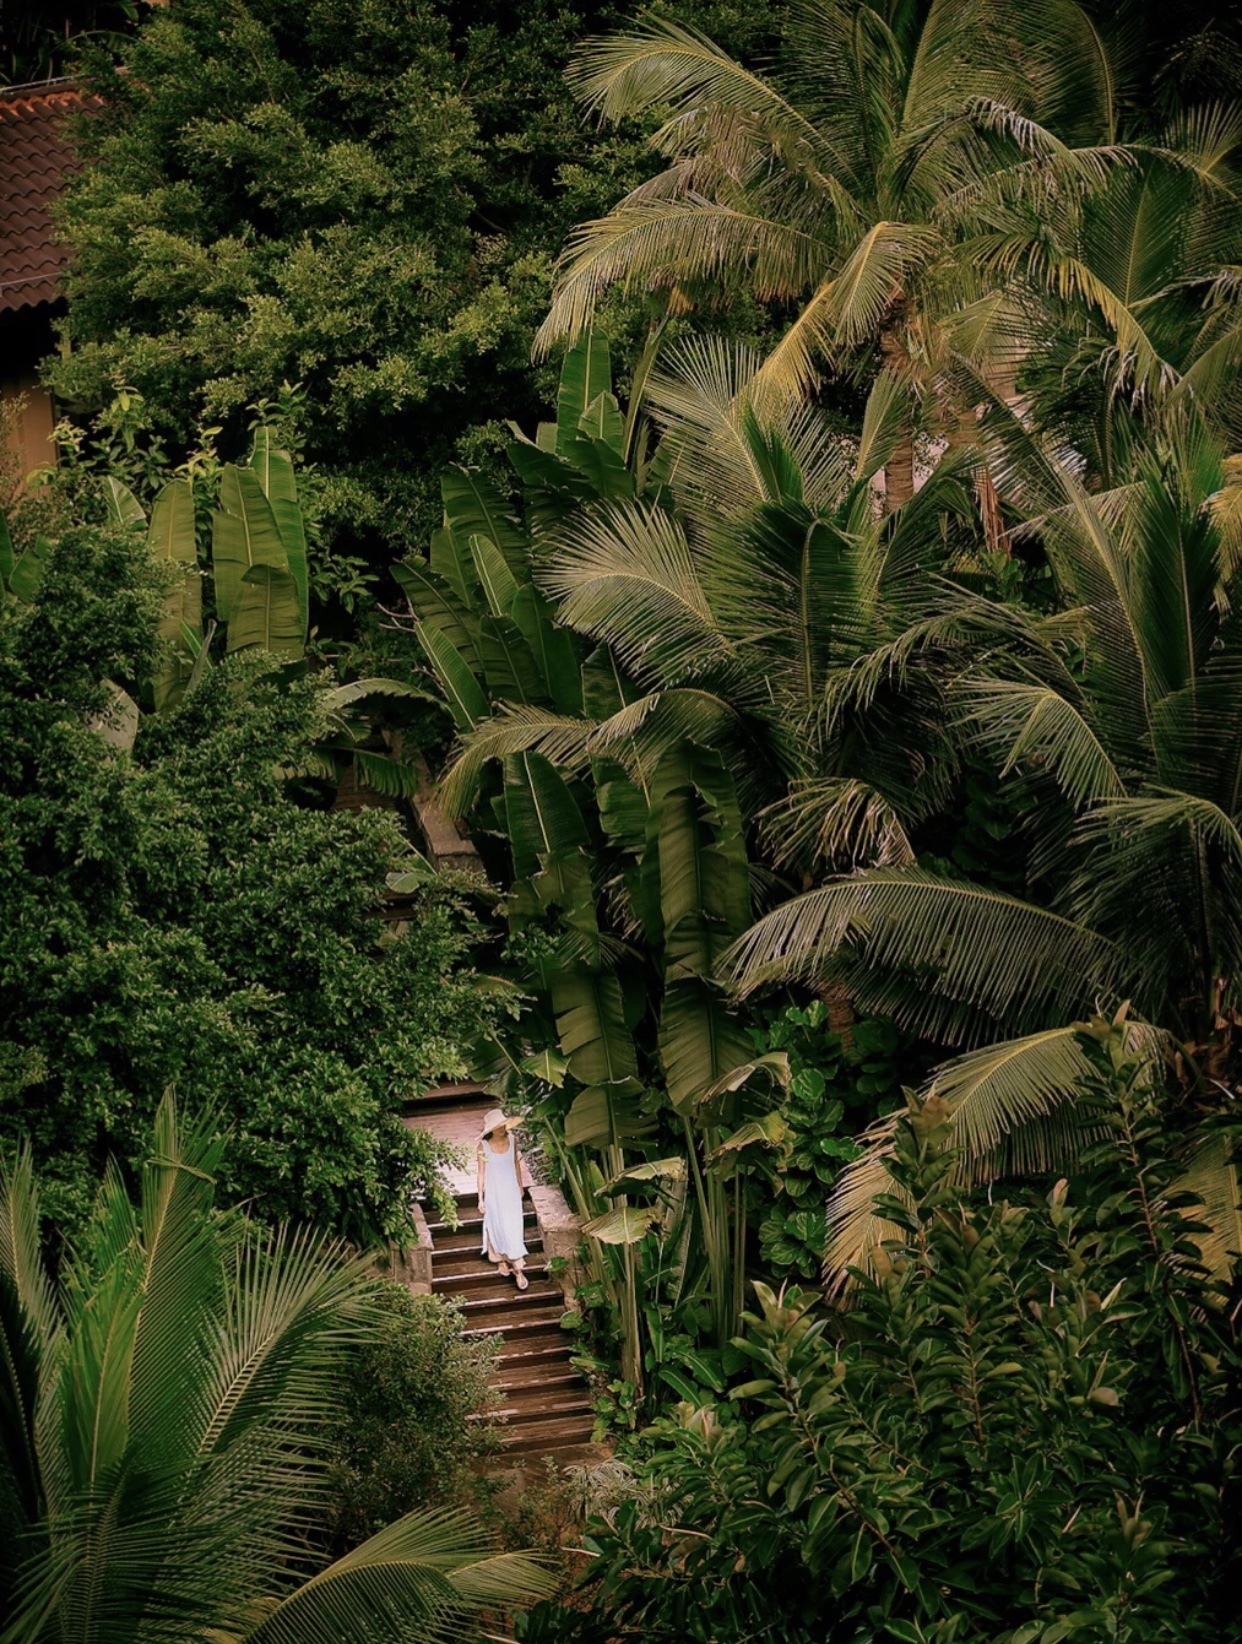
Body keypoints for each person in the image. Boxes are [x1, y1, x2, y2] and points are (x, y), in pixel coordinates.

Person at [476, 1109, 530, 1289]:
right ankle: (510, 1265)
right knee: (496, 1224)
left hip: (511, 1190)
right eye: (497, 1127)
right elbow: (481, 1173)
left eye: (502, 1125)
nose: (502, 1129)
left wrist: (520, 1186)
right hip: (494, 1191)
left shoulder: (513, 1140)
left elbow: (515, 1163)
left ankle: (514, 1264)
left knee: (513, 1226)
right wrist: (480, 1199)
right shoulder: (482, 1146)